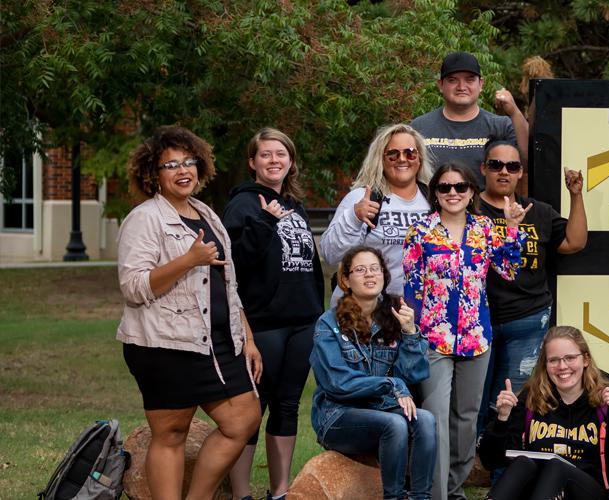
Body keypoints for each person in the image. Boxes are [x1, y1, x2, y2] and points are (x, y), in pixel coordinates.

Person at [116, 126, 263, 499]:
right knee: (171, 434)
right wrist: (188, 260)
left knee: (243, 419)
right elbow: (133, 287)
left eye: (189, 162)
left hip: (217, 342)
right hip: (165, 345)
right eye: (171, 165)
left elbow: (226, 286)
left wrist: (245, 336)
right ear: (154, 174)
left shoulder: (206, 214)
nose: (183, 170)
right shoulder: (144, 219)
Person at [402, 163, 528, 500]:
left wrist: (512, 227)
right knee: (437, 418)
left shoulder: (485, 229)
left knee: (466, 420)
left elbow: (509, 270)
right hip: (433, 337)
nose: (453, 193)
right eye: (445, 187)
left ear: (471, 192)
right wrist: (411, 331)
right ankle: (438, 494)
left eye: (460, 187)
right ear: (436, 194)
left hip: (476, 336)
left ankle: (455, 491)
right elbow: (412, 286)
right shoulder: (420, 231)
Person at [223, 127, 326, 500]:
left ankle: (279, 491)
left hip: (303, 321)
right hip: (264, 323)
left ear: (291, 162)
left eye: (281, 154)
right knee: (254, 407)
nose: (274, 160)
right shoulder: (243, 205)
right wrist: (265, 223)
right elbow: (231, 263)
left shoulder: (295, 205)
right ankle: (241, 493)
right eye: (265, 154)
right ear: (252, 162)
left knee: (287, 403)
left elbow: (309, 263)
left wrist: (318, 309)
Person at [477, 142, 588, 434]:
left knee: (510, 399)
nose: (504, 172)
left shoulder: (536, 211)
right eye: (496, 165)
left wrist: (576, 195)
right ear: (483, 169)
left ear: (520, 173)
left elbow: (574, 242)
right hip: (477, 321)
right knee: (474, 400)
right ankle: (469, 462)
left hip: (526, 319)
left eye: (512, 166)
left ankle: (499, 468)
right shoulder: (469, 209)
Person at [311, 246, 435, 500]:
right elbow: (337, 383)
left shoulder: (394, 315)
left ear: (384, 275)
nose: (369, 275)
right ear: (345, 280)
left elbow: (413, 375)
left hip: (382, 409)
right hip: (337, 415)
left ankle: (421, 496)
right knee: (395, 423)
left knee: (426, 420)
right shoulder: (328, 324)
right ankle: (394, 497)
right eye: (360, 270)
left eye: (375, 269)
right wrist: (389, 385)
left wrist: (411, 332)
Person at [482, 326, 609, 499]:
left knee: (557, 466)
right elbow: (490, 460)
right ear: (545, 364)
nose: (562, 366)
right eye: (554, 360)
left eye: (570, 358)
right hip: (539, 490)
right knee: (522, 463)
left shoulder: (605, 400)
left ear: (586, 359)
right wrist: (502, 418)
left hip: (587, 490)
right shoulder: (531, 398)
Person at [319, 123, 433, 303]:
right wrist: (354, 217)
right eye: (393, 154)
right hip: (363, 312)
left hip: (415, 312)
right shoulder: (362, 198)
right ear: (381, 159)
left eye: (410, 152)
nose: (402, 159)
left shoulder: (434, 201)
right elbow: (330, 255)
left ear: (419, 158)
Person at [411, 51, 528, 183]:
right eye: (452, 80)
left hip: (487, 204)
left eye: (470, 79)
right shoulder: (419, 127)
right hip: (432, 203)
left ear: (481, 84)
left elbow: (528, 162)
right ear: (440, 85)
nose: (461, 87)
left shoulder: (501, 126)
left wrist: (515, 112)